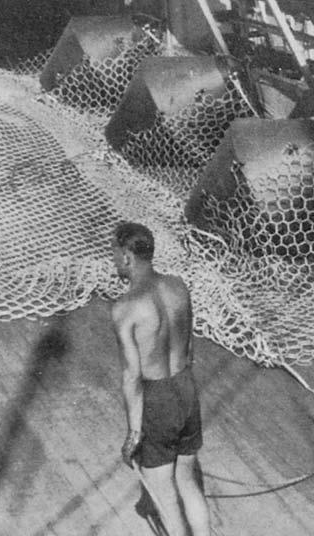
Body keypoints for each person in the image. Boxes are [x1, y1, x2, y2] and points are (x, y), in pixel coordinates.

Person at [108, 222, 210, 536]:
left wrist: (133, 435)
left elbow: (132, 377)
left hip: (158, 400)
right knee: (188, 483)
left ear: (127, 257)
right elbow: (189, 349)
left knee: (165, 499)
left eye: (114, 253)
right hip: (186, 389)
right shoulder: (179, 286)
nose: (113, 260)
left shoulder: (126, 309)